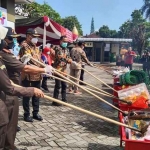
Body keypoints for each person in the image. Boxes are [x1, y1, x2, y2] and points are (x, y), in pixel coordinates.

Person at [0, 26, 44, 150]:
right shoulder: (5, 53)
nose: (7, 42)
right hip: (9, 90)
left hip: (11, 87)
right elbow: (10, 87)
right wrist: (44, 70)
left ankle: (9, 146)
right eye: (5, 39)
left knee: (11, 123)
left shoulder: (7, 52)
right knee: (4, 122)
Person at [19, 28, 44, 122]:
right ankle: (26, 114)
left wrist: (45, 67)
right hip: (28, 75)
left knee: (36, 95)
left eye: (36, 37)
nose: (36, 39)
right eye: (34, 37)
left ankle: (35, 113)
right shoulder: (25, 46)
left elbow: (40, 60)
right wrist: (42, 68)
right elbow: (30, 61)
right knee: (27, 95)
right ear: (28, 36)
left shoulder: (36, 47)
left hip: (37, 75)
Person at [52, 36, 72, 106]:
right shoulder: (58, 48)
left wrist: (70, 60)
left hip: (64, 70)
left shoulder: (67, 49)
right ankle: (55, 100)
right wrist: (68, 60)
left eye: (66, 42)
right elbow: (60, 57)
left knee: (64, 85)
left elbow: (69, 57)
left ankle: (64, 99)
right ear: (60, 41)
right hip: (58, 69)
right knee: (58, 86)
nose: (65, 43)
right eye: (64, 41)